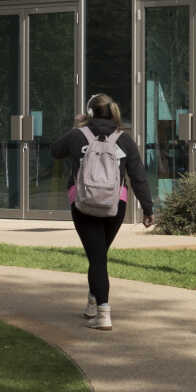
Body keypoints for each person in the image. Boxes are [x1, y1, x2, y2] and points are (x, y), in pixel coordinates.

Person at [54, 93, 152, 331]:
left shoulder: (78, 135)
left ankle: (103, 312)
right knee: (98, 254)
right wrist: (148, 209)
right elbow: (138, 177)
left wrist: (78, 127)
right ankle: (92, 302)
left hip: (83, 203)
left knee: (96, 256)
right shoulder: (124, 139)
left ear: (89, 113)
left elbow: (55, 151)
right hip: (114, 206)